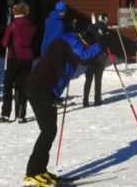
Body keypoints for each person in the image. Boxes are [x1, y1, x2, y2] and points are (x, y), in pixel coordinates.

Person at [24, 28, 103, 186]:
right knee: (48, 131)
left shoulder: (70, 40)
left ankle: (40, 170)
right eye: (88, 45)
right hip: (40, 89)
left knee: (50, 130)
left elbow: (83, 58)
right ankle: (32, 173)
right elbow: (83, 56)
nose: (87, 48)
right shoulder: (71, 43)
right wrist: (101, 45)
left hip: (46, 90)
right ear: (84, 41)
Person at [0, 3, 36, 122]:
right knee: (22, 86)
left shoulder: (12, 25)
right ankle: (20, 114)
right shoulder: (31, 25)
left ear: (15, 12)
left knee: (8, 86)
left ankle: (6, 113)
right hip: (27, 58)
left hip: (13, 58)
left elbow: (4, 43)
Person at [83, 13, 109, 107]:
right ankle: (97, 99)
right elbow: (105, 42)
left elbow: (86, 36)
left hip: (91, 56)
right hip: (100, 56)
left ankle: (85, 101)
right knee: (98, 79)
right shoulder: (104, 28)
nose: (107, 21)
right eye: (106, 19)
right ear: (103, 19)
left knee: (88, 79)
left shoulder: (91, 27)